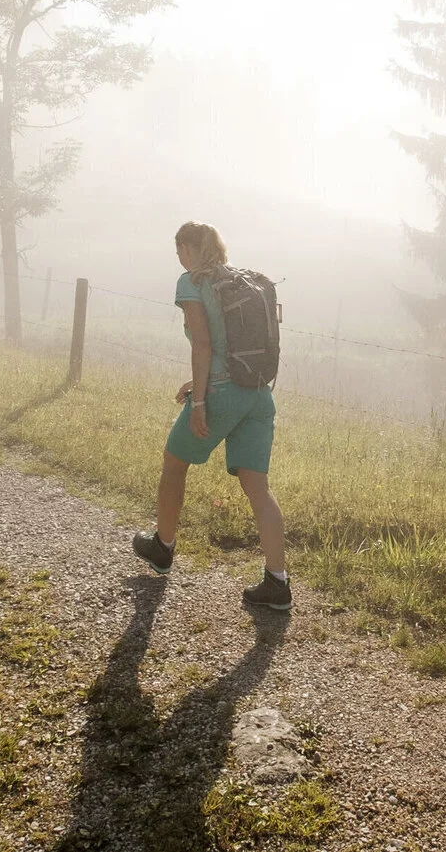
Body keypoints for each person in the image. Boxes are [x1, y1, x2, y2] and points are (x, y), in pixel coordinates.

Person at [131, 220, 292, 611]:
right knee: (258, 487)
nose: (179, 257)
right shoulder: (242, 280)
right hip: (257, 394)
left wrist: (200, 401)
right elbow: (226, 345)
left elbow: (202, 343)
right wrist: (196, 382)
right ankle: (278, 583)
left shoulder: (191, 282)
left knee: (175, 462)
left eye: (179, 250)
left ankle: (163, 546)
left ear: (189, 249)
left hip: (220, 394)